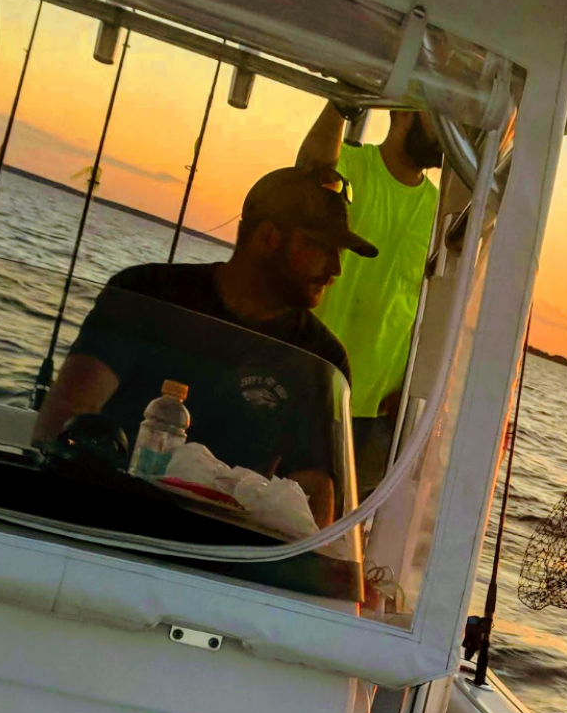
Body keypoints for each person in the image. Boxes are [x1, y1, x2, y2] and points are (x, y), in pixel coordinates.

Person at [33, 166, 377, 527]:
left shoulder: (322, 359)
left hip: (220, 553)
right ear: (268, 237)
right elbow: (70, 409)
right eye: (321, 248)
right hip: (103, 518)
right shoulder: (146, 293)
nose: (336, 269)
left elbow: (314, 497)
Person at [297, 102, 441, 491]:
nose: (447, 128)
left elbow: (433, 312)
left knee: (337, 540)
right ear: (403, 111)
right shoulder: (351, 165)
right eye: (437, 115)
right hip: (304, 388)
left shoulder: (442, 211)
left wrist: (410, 391)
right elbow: (308, 172)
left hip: (374, 417)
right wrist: (342, 100)